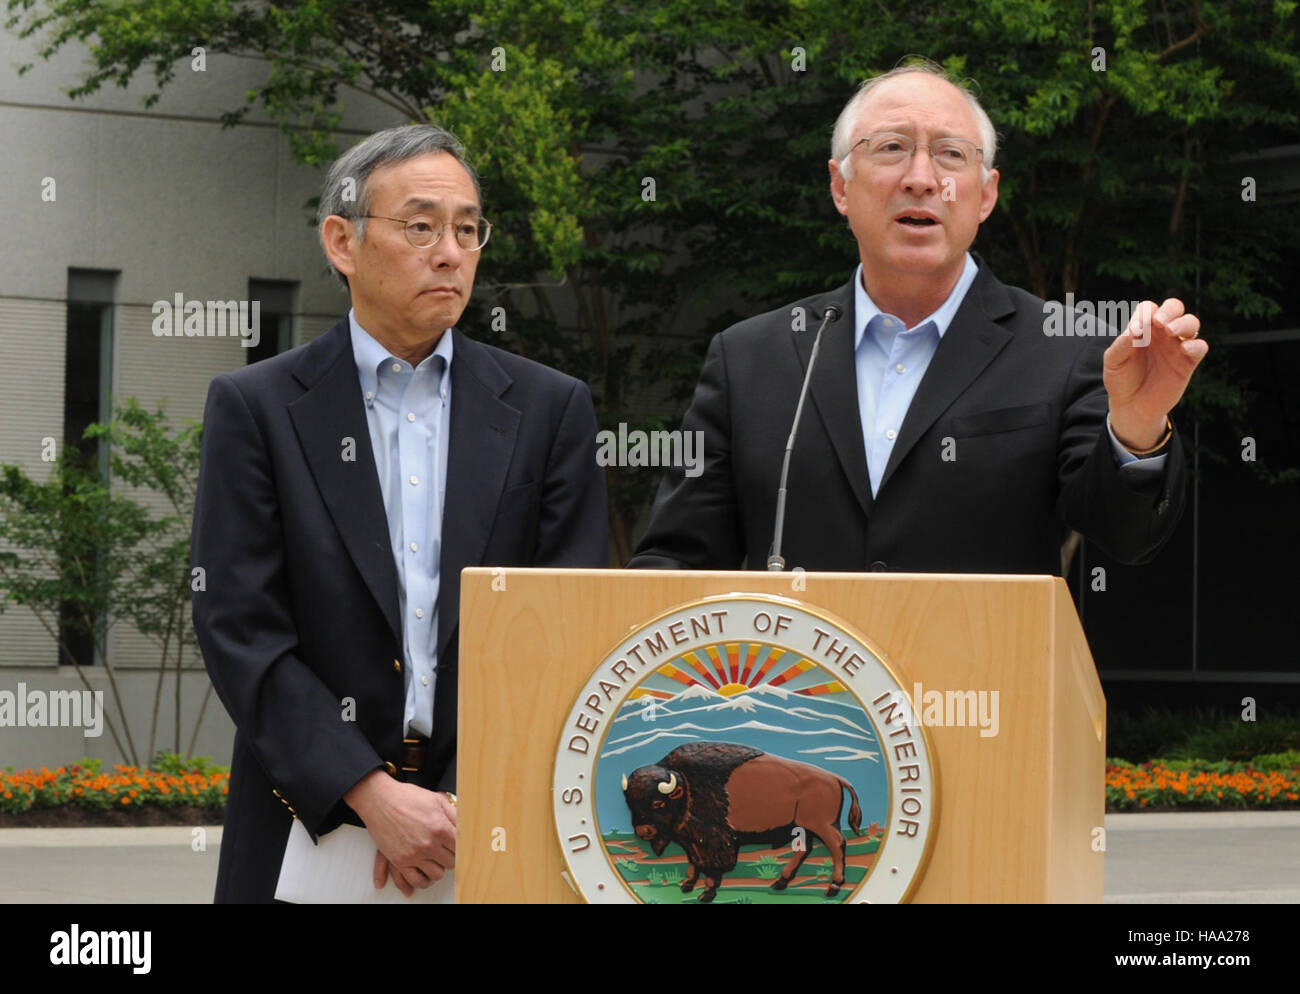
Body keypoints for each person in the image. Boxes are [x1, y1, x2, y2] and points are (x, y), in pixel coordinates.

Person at [191, 124, 609, 903]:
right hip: (307, 824)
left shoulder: (549, 410)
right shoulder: (258, 408)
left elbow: (567, 623)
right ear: (343, 242)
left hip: (490, 827)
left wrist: (453, 804)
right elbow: (240, 627)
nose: (450, 252)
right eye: (420, 226)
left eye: (467, 228)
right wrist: (370, 793)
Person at [630, 62, 1208, 574]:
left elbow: (1127, 537)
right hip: (799, 695)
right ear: (840, 186)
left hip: (984, 693)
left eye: (951, 154)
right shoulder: (750, 357)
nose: (922, 178)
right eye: (890, 148)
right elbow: (679, 562)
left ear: (984, 196)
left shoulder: (1063, 347)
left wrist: (1136, 426)